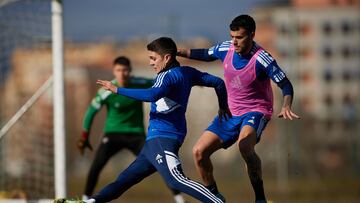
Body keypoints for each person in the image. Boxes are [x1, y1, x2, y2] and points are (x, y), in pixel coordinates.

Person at [177, 14, 300, 203]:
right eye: (232, 36)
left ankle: (260, 199)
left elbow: (285, 84)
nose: (234, 41)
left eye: (239, 37)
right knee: (199, 152)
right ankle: (214, 197)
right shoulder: (226, 48)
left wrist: (286, 105)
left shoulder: (262, 59)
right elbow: (204, 54)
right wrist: (176, 51)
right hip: (230, 112)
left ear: (251, 35)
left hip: (256, 111)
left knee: (245, 146)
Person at [78, 56, 187, 203]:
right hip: (113, 134)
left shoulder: (140, 83)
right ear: (114, 71)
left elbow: (163, 85)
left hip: (136, 134)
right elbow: (91, 112)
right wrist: (84, 136)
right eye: (118, 70)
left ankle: (179, 198)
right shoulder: (106, 90)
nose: (122, 73)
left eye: (125, 70)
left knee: (161, 163)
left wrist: (185, 83)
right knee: (97, 165)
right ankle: (85, 199)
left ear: (130, 71)